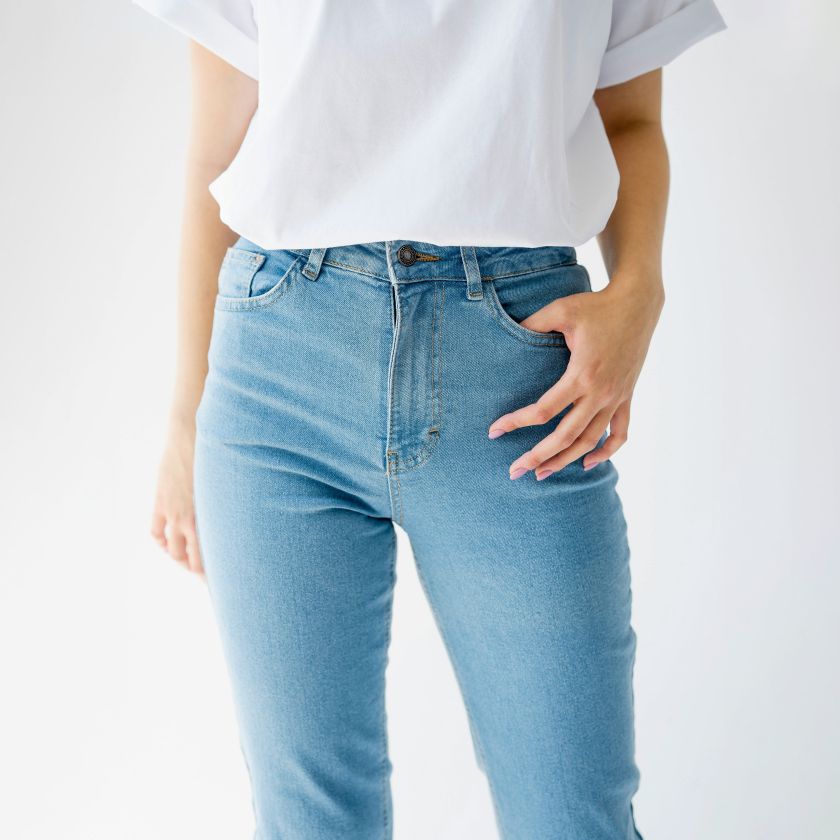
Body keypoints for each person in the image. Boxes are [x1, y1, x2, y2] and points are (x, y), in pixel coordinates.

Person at [137, 1, 726, 837]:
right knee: (310, 822)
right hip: (279, 371)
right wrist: (184, 424)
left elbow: (630, 117)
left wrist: (640, 291)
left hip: (522, 375)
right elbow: (215, 155)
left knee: (572, 816)